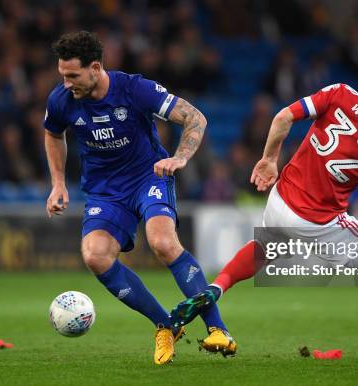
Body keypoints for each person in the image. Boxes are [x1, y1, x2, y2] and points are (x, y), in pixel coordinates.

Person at [171, 65, 358, 368]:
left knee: (264, 248)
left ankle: (215, 288)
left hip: (281, 198)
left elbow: (283, 116)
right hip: (319, 220)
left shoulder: (340, 93)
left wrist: (268, 160)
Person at [43, 31, 234, 365]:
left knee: (162, 242)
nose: (66, 82)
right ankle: (166, 325)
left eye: (72, 75)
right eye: (62, 75)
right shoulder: (61, 100)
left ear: (95, 68)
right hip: (105, 191)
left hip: (149, 177)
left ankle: (218, 328)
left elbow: (194, 117)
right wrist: (58, 183)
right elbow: (53, 133)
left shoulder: (134, 89)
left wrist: (180, 157)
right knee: (95, 256)